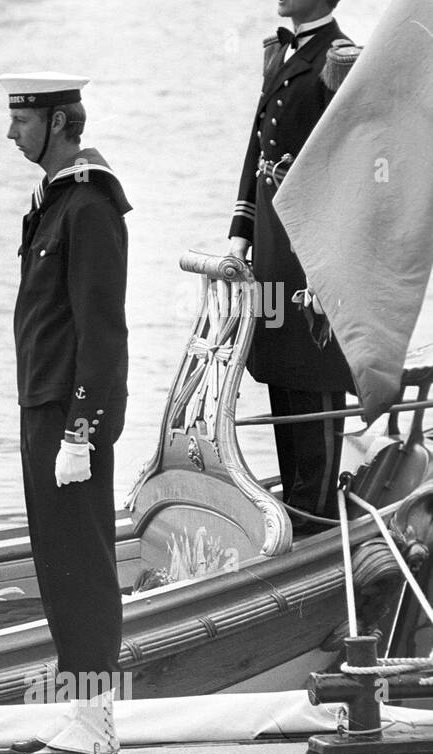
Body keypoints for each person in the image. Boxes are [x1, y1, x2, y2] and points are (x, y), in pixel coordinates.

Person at [0, 74, 131, 754]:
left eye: (22, 121)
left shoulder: (89, 205)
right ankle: (82, 710)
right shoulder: (53, 202)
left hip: (69, 414)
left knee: (83, 560)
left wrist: (83, 428)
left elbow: (102, 330)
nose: (11, 133)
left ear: (58, 122)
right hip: (41, 404)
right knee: (57, 561)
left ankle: (98, 720)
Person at [228, 0, 357, 532]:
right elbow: (258, 148)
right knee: (280, 363)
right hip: (273, 250)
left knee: (316, 372)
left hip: (313, 252)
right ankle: (297, 502)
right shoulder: (283, 52)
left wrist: (333, 269)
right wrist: (240, 231)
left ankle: (319, 514)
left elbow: (351, 167)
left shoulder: (341, 59)